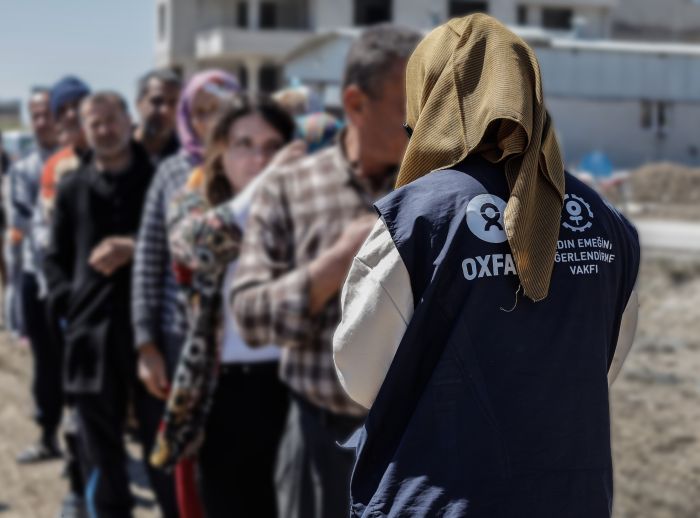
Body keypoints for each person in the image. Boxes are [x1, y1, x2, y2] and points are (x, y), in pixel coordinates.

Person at [332, 15, 641, 517]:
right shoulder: (606, 223)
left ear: (428, 101)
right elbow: (600, 365)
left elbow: (360, 374)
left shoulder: (417, 218)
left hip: (440, 500)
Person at [230, 25, 422, 518]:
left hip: (423, 446)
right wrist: (335, 264)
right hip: (320, 439)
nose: (428, 119)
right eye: (411, 101)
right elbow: (248, 316)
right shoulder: (291, 188)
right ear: (355, 103)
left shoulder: (446, 192)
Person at [153, 96, 304, 517]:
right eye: (244, 144)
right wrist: (266, 184)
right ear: (220, 154)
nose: (259, 158)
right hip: (222, 393)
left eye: (273, 146)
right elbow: (197, 246)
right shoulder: (192, 203)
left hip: (296, 386)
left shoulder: (310, 203)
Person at [131, 70, 240, 517]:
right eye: (199, 112)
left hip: (245, 345)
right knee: (188, 461)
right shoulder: (172, 173)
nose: (208, 121)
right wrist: (147, 345)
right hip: (184, 344)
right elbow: (148, 262)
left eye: (219, 109)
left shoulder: (255, 165)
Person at [44, 92, 156, 518]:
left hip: (151, 340)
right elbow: (53, 260)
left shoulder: (158, 179)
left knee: (161, 453)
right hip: (90, 342)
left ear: (129, 121)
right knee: (102, 458)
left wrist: (135, 248)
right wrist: (71, 305)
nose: (105, 130)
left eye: (112, 120)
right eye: (96, 124)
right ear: (84, 130)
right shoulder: (72, 188)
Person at [41, 75, 92, 518]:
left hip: (120, 310)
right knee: (78, 403)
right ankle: (79, 486)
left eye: (81, 105)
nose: (74, 115)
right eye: (66, 110)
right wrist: (63, 299)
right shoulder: (57, 169)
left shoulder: (126, 160)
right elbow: (51, 244)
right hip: (76, 310)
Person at [10, 87, 61, 464]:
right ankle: (48, 436)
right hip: (35, 275)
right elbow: (27, 222)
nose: (42, 121)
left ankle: (91, 443)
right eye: (36, 114)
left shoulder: (81, 161)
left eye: (48, 112)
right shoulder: (23, 169)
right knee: (45, 362)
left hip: (75, 281)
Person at [133, 69, 182, 166]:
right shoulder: (120, 151)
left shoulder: (185, 154)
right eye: (157, 101)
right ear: (138, 104)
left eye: (173, 103)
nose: (165, 110)